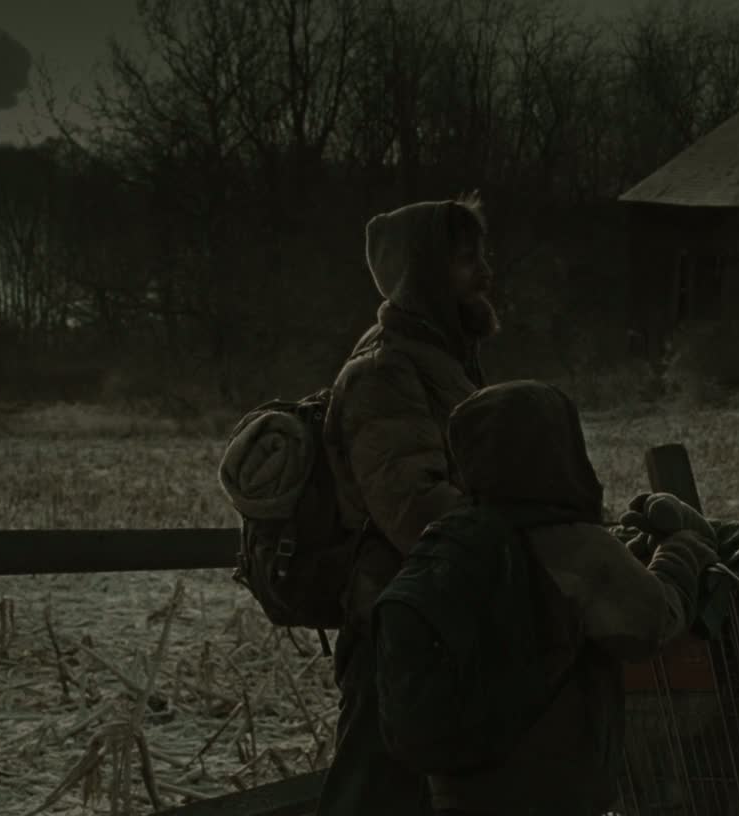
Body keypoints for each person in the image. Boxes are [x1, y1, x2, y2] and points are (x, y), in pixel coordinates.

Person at [426, 379, 717, 816]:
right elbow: (653, 623)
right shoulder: (571, 544)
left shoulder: (442, 543)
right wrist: (682, 551)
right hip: (552, 790)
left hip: (458, 792)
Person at [316, 194, 500, 816]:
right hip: (397, 625)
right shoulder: (383, 370)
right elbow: (416, 510)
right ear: (424, 274)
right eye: (466, 260)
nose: (485, 273)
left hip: (441, 616)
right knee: (375, 797)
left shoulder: (444, 359)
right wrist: (514, 541)